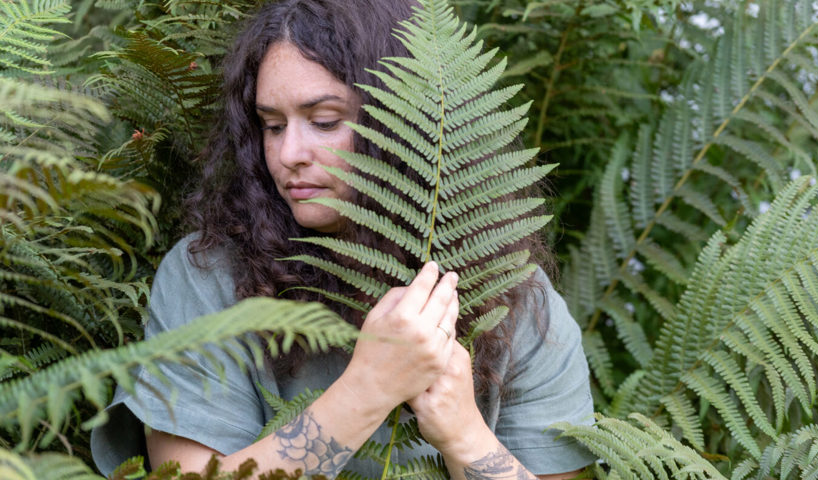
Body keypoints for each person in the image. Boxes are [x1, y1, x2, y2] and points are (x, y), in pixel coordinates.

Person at [91, 0, 596, 478]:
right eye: (271, 125)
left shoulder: (517, 302)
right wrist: (366, 390)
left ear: (402, 124)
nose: (289, 153)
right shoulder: (208, 277)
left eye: (325, 121)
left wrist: (464, 435)